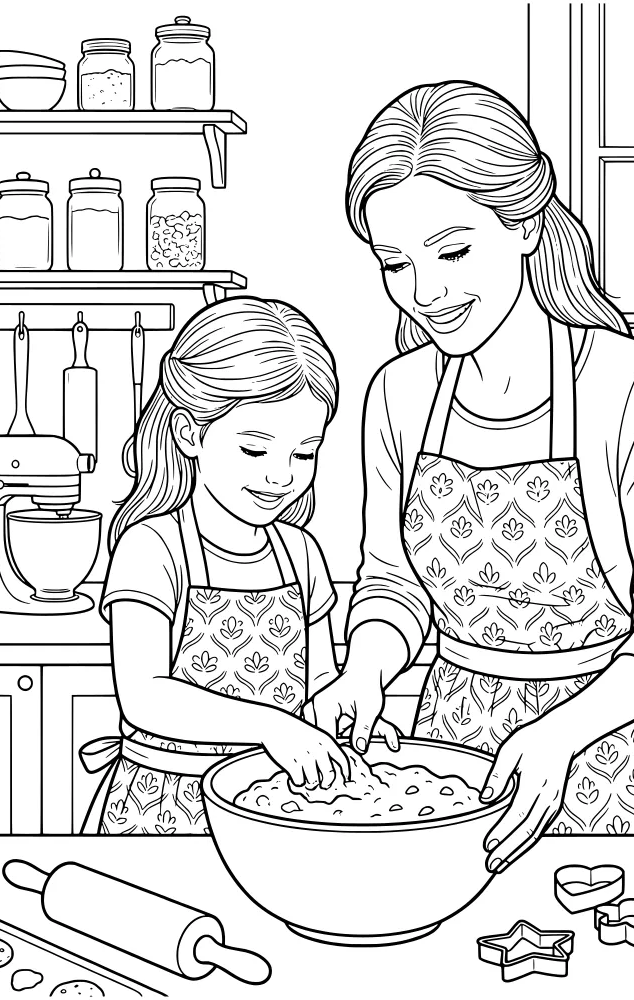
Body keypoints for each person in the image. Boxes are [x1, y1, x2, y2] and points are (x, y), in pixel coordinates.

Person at [313, 81, 634, 871]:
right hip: (450, 755)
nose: (426, 293)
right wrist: (364, 669)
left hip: (610, 753)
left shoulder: (631, 384)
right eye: (395, 264)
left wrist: (562, 732)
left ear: (526, 224)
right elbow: (392, 584)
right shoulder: (399, 396)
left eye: (452, 251)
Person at [81, 297, 381, 834]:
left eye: (304, 453)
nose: (281, 477)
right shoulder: (153, 549)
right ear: (190, 433)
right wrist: (271, 728)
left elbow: (315, 687)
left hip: (270, 807)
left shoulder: (301, 554)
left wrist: (341, 725)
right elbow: (144, 695)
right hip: (166, 809)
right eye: (255, 451)